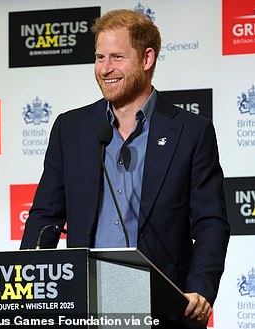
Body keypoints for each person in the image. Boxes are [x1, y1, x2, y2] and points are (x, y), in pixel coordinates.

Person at [20, 9, 230, 329]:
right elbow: (45, 217)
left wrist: (200, 288)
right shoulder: (70, 129)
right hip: (85, 306)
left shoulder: (191, 132)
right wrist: (27, 286)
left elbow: (211, 222)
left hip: (163, 308)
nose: (105, 69)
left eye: (117, 57)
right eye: (100, 57)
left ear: (147, 59)